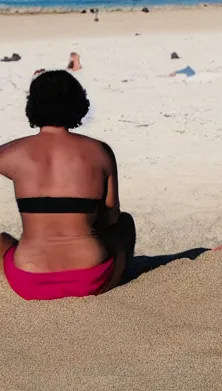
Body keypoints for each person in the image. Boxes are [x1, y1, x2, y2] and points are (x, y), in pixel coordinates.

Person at [0, 70, 135, 300]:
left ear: (32, 106)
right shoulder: (100, 152)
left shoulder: (13, 153)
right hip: (91, 276)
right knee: (125, 224)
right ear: (77, 103)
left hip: (29, 279)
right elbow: (112, 216)